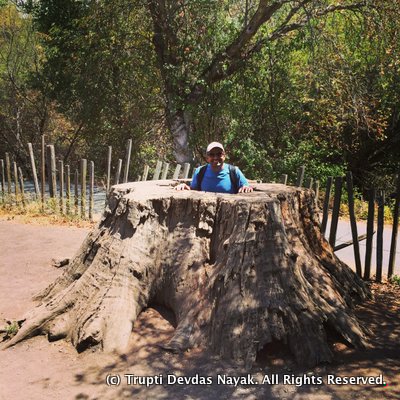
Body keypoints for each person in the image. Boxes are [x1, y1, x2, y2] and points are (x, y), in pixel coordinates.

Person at [175, 142, 253, 193]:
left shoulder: (234, 171)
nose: (216, 158)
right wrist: (184, 186)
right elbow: (193, 190)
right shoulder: (200, 172)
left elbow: (246, 187)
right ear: (207, 158)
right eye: (211, 154)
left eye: (219, 154)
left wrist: (246, 188)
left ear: (224, 156)